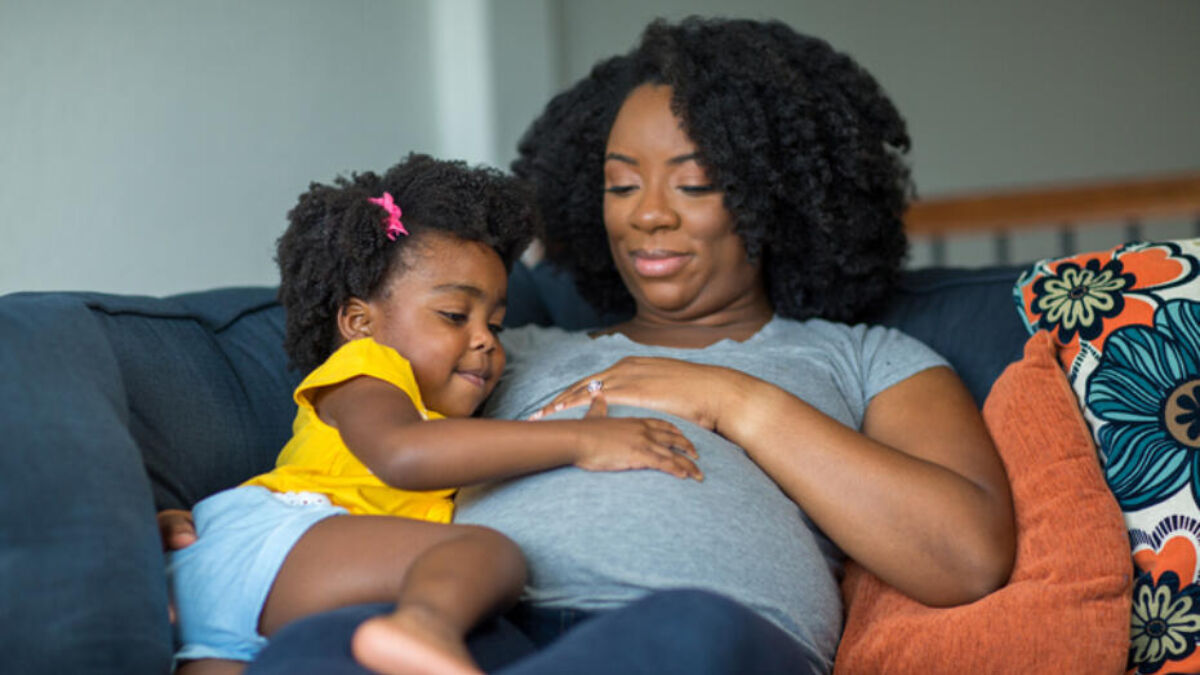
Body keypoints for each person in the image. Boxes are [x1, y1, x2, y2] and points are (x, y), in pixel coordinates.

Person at [163, 17, 1016, 674]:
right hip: (468, 627)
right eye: (618, 182)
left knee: (692, 629)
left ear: (778, 193)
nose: (646, 213)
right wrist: (209, 528)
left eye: (695, 182)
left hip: (694, 631)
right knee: (324, 646)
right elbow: (357, 453)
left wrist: (731, 399)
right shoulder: (492, 346)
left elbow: (965, 557)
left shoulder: (864, 359)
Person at [164, 154, 703, 675]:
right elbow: (405, 456)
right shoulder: (366, 370)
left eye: (494, 324)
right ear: (359, 321)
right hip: (277, 540)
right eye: (453, 315)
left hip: (240, 611)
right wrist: (581, 442)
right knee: (485, 552)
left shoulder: (437, 411)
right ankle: (425, 625)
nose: (485, 342)